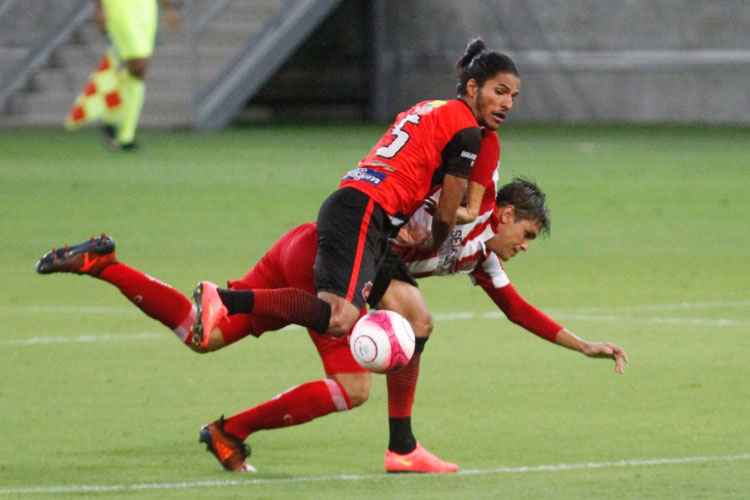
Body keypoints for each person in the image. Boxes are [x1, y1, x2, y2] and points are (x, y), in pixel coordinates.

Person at [65, 0, 178, 150]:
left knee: (138, 72)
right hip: (120, 7)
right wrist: (99, 9)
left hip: (146, 8)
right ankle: (118, 126)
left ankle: (122, 132)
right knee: (138, 64)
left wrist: (168, 8)